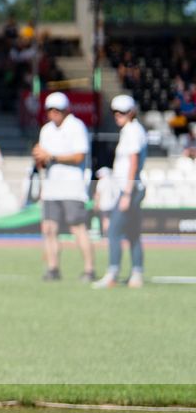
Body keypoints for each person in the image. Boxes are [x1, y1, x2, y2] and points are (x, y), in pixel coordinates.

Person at [33, 90, 94, 282]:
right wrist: (40, 159)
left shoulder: (76, 126)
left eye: (57, 110)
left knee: (77, 228)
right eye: (50, 110)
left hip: (72, 187)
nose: (53, 114)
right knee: (49, 228)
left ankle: (89, 269)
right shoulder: (46, 130)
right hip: (51, 187)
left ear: (66, 110)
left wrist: (51, 156)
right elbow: (43, 161)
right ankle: (53, 268)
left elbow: (79, 156)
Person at [93, 93, 146, 289]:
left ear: (131, 112)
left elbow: (133, 163)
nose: (118, 115)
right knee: (132, 233)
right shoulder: (130, 130)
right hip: (129, 188)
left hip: (129, 189)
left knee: (114, 231)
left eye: (122, 112)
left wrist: (126, 194)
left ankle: (113, 274)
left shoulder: (132, 131)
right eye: (115, 112)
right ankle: (136, 274)